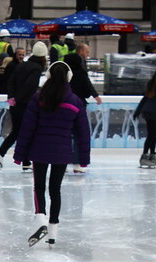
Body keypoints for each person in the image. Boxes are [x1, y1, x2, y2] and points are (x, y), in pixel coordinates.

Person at [14, 61, 91, 248]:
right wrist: (83, 160)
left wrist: (20, 154)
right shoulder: (75, 101)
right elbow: (83, 133)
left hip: (39, 148)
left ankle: (40, 219)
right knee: (55, 189)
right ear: (69, 77)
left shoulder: (38, 98)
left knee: (39, 187)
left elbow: (27, 128)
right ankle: (53, 233)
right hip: (62, 151)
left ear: (48, 76)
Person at [0, 41, 46, 171]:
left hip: (15, 104)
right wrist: (18, 99)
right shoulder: (36, 68)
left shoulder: (22, 65)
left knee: (18, 131)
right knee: (26, 132)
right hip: (25, 105)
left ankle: (24, 160)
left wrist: (12, 98)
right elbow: (29, 86)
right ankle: (5, 153)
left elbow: (11, 82)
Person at [63, 41, 101, 173]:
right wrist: (95, 96)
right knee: (79, 133)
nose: (88, 54)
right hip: (78, 104)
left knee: (65, 133)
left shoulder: (65, 70)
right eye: (87, 52)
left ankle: (63, 160)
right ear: (80, 52)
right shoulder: (80, 69)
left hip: (64, 104)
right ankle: (77, 162)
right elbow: (86, 83)